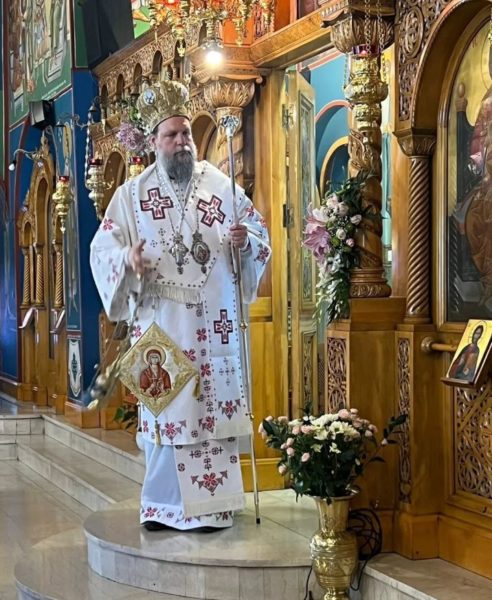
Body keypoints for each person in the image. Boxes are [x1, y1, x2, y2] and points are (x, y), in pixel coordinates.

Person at [90, 79, 271, 532]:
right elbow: (101, 249)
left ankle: (214, 507)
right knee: (167, 409)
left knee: (211, 416)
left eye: (186, 133)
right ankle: (161, 506)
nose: (181, 142)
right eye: (171, 135)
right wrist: (126, 260)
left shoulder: (221, 186)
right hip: (163, 322)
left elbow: (258, 234)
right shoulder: (132, 195)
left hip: (214, 321)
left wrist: (245, 241)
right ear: (155, 142)